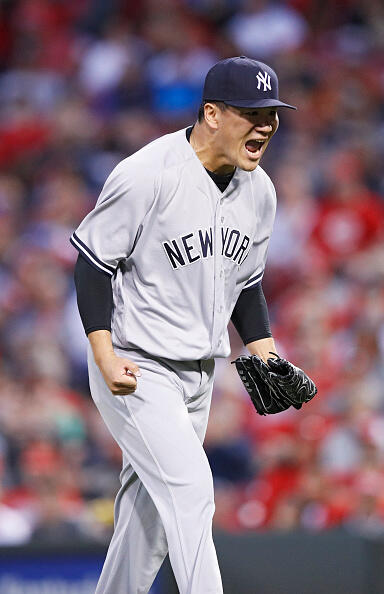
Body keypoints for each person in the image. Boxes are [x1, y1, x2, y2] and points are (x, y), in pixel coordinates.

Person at [71, 55, 296, 594]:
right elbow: (93, 264)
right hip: (136, 363)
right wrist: (103, 355)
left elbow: (244, 282)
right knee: (192, 490)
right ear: (212, 114)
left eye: (272, 113)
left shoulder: (259, 191)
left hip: (199, 376)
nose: (265, 125)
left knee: (146, 526)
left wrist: (264, 348)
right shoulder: (148, 173)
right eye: (251, 112)